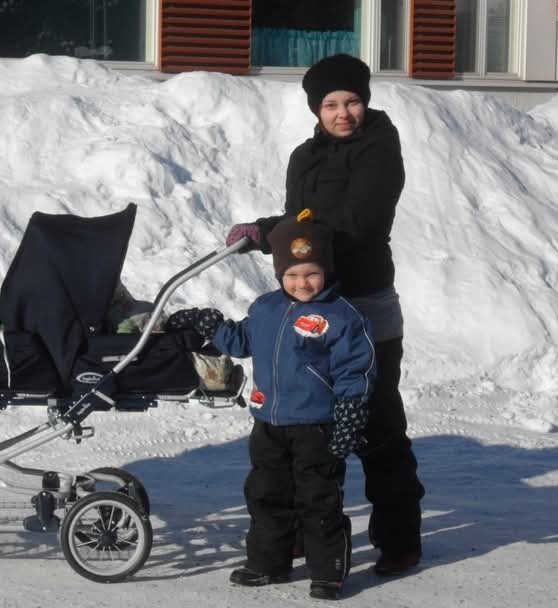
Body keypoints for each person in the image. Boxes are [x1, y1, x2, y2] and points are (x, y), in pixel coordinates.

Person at [225, 53, 425, 575]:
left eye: (353, 101)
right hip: (311, 306)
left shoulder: (380, 149)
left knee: (376, 423)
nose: (344, 113)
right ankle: (296, 534)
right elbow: (303, 225)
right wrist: (274, 233)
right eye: (332, 104)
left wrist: (273, 229)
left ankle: (399, 539)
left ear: (366, 101)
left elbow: (355, 222)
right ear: (316, 108)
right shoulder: (303, 157)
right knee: (302, 425)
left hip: (365, 306)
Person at [170, 211, 375, 600]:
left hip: (318, 424)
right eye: (293, 275)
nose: (302, 283)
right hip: (268, 423)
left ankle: (327, 569)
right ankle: (269, 563)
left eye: (311, 273)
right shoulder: (265, 308)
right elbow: (242, 341)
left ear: (327, 271)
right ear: (280, 274)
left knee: (318, 498)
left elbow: (356, 368)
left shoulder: (343, 317)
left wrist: (351, 409)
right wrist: (211, 325)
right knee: (266, 494)